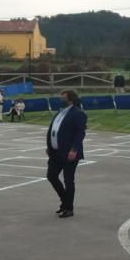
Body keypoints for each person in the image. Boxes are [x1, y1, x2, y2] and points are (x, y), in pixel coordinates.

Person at [46, 90, 86, 219]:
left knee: (69, 180)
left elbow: (80, 134)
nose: (60, 100)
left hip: (69, 153)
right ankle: (65, 201)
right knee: (51, 176)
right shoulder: (60, 112)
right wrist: (49, 146)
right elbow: (54, 130)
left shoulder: (78, 114)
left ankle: (69, 208)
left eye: (63, 98)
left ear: (70, 99)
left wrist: (74, 150)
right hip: (55, 152)